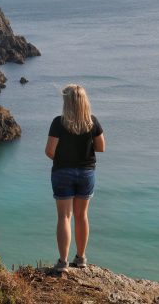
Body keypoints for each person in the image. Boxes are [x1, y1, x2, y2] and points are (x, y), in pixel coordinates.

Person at [45, 84, 105, 272]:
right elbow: (101, 147)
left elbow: (49, 151)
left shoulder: (58, 122)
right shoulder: (92, 122)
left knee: (64, 217)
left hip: (62, 172)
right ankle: (81, 258)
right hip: (86, 173)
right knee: (81, 216)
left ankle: (63, 263)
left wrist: (64, 159)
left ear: (66, 102)